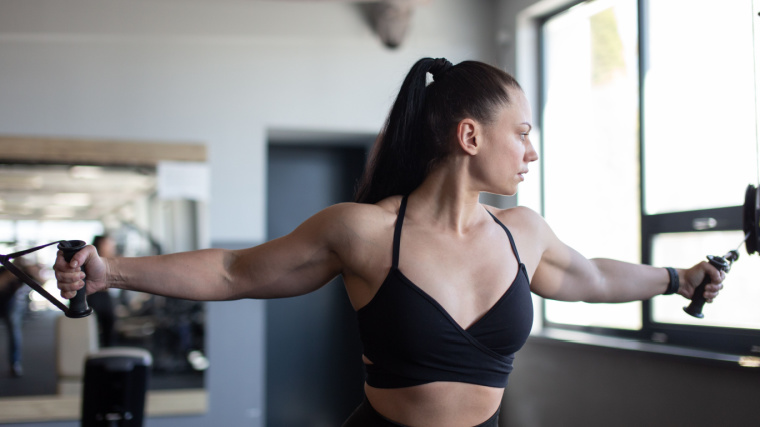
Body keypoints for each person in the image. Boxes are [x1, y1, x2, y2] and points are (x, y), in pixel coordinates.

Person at [54, 58, 725, 427]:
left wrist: (678, 277)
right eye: (521, 132)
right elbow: (233, 271)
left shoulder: (523, 233)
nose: (532, 151)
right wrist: (111, 272)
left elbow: (596, 279)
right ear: (469, 136)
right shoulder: (366, 230)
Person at [86, 235, 117, 347]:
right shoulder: (94, 262)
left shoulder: (113, 260)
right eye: (109, 244)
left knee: (109, 325)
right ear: (100, 245)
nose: (112, 247)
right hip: (96, 296)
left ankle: (107, 350)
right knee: (94, 326)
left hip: (105, 296)